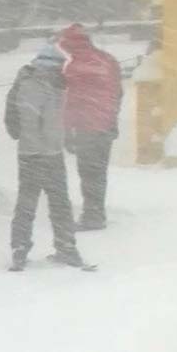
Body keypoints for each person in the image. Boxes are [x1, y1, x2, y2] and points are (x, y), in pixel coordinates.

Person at [4, 44, 87, 272]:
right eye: (59, 67)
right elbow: (60, 116)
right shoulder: (51, 85)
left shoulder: (25, 84)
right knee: (58, 203)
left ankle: (19, 248)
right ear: (50, 66)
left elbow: (11, 122)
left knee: (27, 203)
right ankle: (66, 247)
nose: (61, 71)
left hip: (31, 153)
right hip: (48, 154)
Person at [58, 24, 123, 231]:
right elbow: (118, 92)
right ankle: (97, 213)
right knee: (99, 172)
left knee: (88, 173)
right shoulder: (108, 59)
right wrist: (111, 118)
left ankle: (92, 216)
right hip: (106, 124)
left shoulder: (75, 67)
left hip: (87, 127)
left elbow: (71, 101)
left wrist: (67, 131)